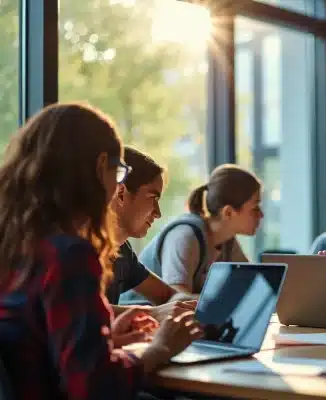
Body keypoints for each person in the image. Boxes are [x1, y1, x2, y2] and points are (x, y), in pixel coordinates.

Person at [0, 103, 201, 399]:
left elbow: (30, 349)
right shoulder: (69, 255)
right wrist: (161, 348)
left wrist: (107, 343)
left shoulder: (16, 246)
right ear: (99, 167)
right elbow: (95, 387)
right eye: (118, 172)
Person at [134, 164, 263, 295]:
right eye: (255, 208)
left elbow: (250, 284)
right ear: (228, 212)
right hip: (140, 311)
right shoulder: (185, 236)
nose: (261, 215)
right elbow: (177, 300)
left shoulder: (227, 241)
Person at [109, 146, 195, 321]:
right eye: (153, 198)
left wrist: (206, 306)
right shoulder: (76, 247)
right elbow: (82, 312)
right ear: (121, 193)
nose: (158, 213)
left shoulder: (122, 251)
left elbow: (167, 295)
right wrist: (152, 314)